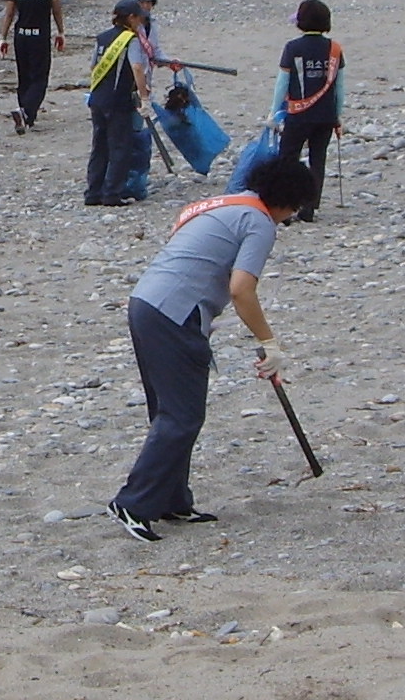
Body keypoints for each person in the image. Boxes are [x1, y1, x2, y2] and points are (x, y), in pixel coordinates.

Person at [107, 155, 316, 541]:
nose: (290, 217)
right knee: (182, 416)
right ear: (288, 200)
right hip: (174, 313)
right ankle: (133, 503)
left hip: (147, 303)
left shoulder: (224, 204)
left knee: (169, 410)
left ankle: (170, 499)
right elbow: (242, 290)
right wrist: (269, 342)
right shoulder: (258, 222)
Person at [272, 0, 344, 222]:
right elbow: (340, 87)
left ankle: (285, 207)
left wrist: (273, 113)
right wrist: (337, 115)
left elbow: (282, 84)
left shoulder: (292, 48)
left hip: (298, 115)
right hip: (326, 115)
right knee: (318, 159)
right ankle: (309, 208)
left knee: (288, 159)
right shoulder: (335, 49)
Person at [83, 0, 154, 206]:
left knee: (99, 146)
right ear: (130, 18)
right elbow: (137, 68)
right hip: (118, 100)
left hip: (98, 98)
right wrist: (144, 97)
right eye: (138, 18)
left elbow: (93, 66)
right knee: (120, 147)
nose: (140, 23)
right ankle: (112, 194)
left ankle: (93, 192)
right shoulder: (130, 40)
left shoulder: (102, 38)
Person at [0, 0, 65, 133]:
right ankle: (26, 112)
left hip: (21, 35)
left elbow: (9, 13)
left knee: (24, 76)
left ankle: (27, 115)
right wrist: (61, 32)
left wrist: (3, 37)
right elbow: (56, 8)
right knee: (39, 77)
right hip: (39, 35)